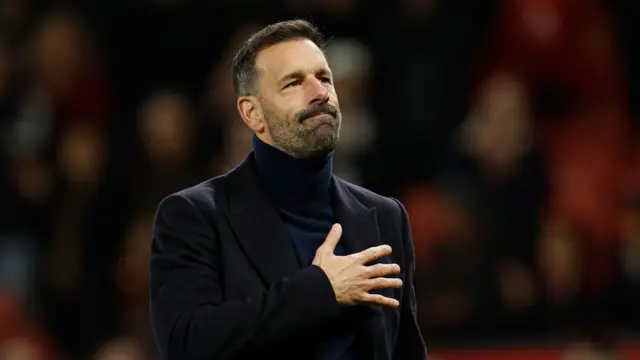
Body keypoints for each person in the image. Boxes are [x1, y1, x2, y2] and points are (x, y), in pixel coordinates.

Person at [149, 19, 428, 360]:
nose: (320, 93)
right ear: (252, 113)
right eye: (294, 83)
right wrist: (320, 290)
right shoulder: (195, 215)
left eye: (324, 78)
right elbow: (187, 344)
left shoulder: (386, 217)